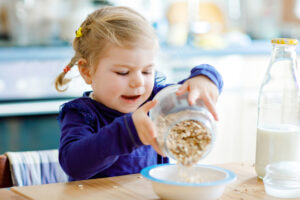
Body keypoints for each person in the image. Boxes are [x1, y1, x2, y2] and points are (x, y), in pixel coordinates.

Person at [55, 6, 223, 181]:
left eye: (147, 72)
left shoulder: (157, 100)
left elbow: (191, 91)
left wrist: (205, 78)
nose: (138, 82)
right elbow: (73, 165)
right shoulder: (82, 113)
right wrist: (128, 132)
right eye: (123, 72)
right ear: (87, 71)